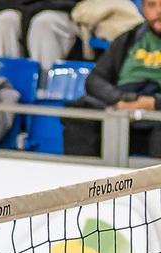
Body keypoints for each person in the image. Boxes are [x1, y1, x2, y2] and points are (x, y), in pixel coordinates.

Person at [63, 0, 161, 158]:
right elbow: (94, 79)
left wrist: (154, 103)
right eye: (151, 5)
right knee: (81, 110)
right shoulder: (129, 38)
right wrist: (121, 100)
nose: (158, 11)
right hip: (123, 101)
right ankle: (84, 177)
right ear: (143, 8)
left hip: (157, 108)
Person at [0, 0, 78, 71]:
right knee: (5, 20)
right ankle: (1, 84)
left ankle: (44, 86)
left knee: (43, 23)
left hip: (64, 10)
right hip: (24, 7)